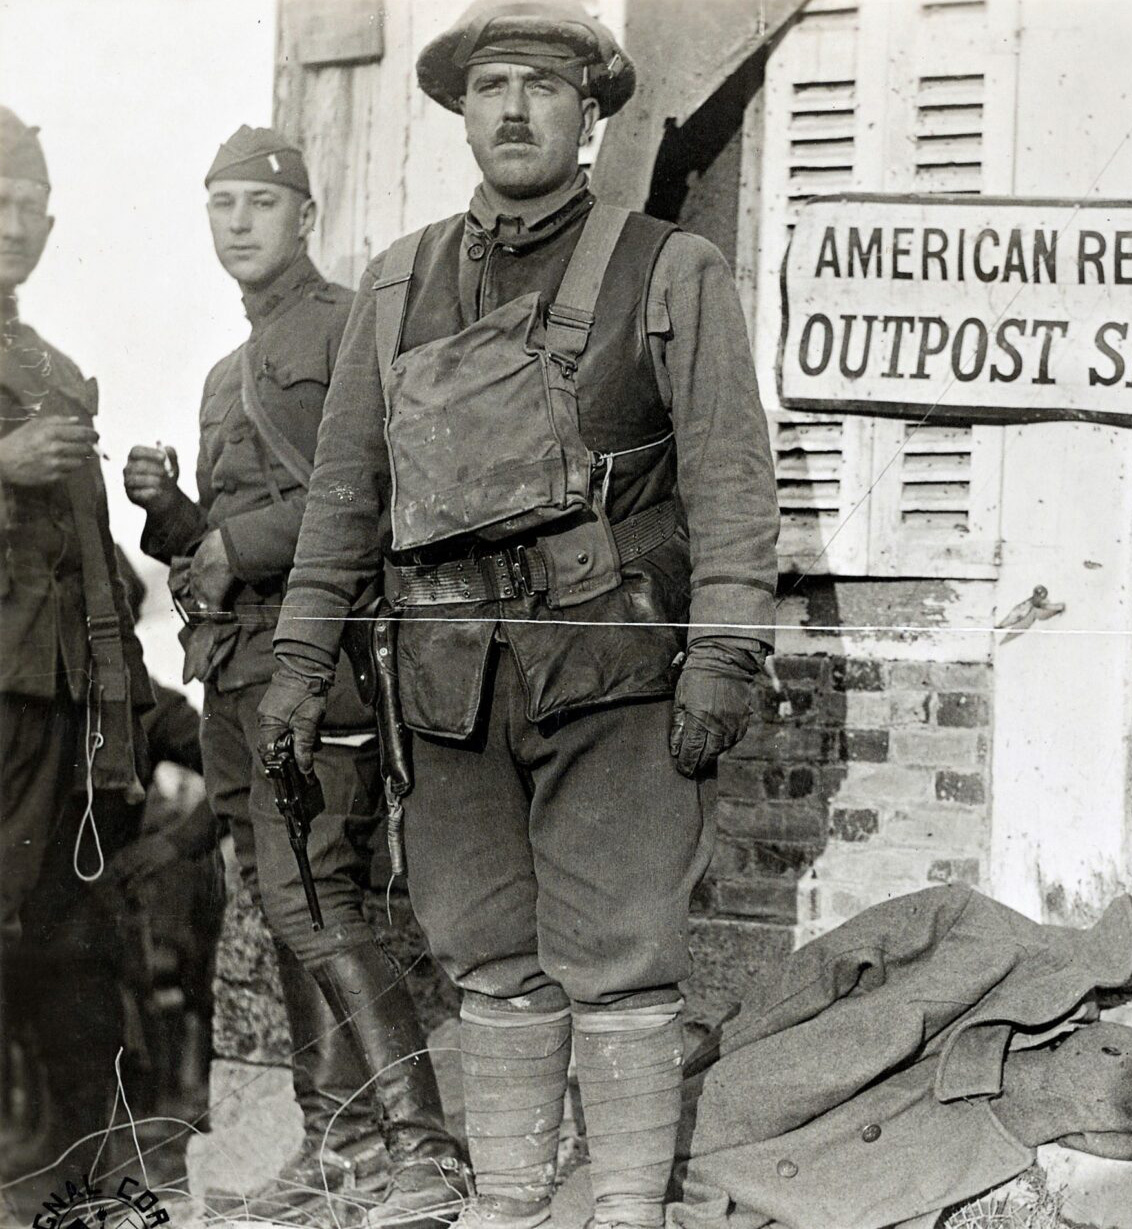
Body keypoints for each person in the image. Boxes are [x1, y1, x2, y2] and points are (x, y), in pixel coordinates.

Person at [257, 3, 781, 1226]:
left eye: (542, 87)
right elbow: (343, 497)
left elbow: (728, 478)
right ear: (460, 111)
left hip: (613, 666)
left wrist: (725, 652)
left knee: (619, 957)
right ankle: (504, 1200)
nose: (512, 108)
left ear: (589, 113)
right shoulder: (396, 284)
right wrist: (295, 664)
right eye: (490, 85)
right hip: (446, 681)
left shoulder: (669, 269)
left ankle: (625, 1208)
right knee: (486, 951)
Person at [123, 127, 464, 1229]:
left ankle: (417, 1147)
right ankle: (336, 1145)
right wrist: (169, 512)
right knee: (283, 909)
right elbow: (216, 540)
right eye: (219, 202)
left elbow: (370, 492)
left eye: (258, 205)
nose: (236, 222)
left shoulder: (345, 324)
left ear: (304, 217)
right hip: (232, 669)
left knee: (316, 897)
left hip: (316, 667)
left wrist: (239, 545)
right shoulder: (229, 369)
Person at [0, 104, 154, 1180]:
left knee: (67, 929)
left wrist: (121, 697)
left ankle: (79, 1163)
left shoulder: (48, 361)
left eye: (29, 206)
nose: (13, 223)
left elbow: (96, 558)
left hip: (55, 696)